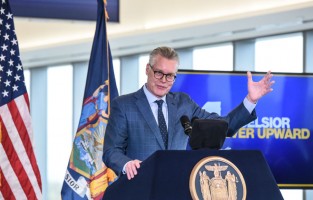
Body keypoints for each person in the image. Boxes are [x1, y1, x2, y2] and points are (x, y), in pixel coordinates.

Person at [102, 46, 274, 180]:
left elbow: (222, 126)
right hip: (140, 187)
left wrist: (251, 100)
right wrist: (127, 165)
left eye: (170, 76)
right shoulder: (123, 105)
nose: (164, 80)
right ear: (148, 69)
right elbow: (111, 151)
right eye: (159, 73)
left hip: (177, 188)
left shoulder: (183, 103)